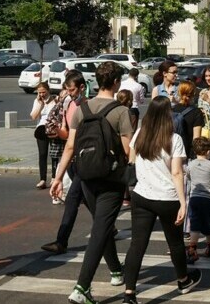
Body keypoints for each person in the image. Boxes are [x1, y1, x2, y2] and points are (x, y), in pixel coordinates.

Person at [50, 61, 134, 304]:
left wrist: (57, 177)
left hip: (85, 176)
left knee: (102, 225)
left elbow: (70, 146)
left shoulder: (82, 110)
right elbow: (128, 152)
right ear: (117, 83)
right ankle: (82, 287)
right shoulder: (121, 112)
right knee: (100, 229)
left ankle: (116, 270)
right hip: (111, 179)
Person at [121, 96, 202, 304]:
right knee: (175, 242)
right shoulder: (173, 139)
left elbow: (131, 158)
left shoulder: (140, 133)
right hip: (167, 197)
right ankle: (183, 280)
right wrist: (183, 203)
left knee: (137, 244)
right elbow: (176, 173)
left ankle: (129, 293)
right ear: (167, 115)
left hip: (141, 195)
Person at [41, 72, 89, 255]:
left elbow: (74, 139)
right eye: (67, 90)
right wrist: (58, 132)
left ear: (82, 87)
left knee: (72, 200)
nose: (70, 93)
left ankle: (61, 241)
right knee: (83, 198)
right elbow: (66, 129)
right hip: (72, 158)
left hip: (81, 158)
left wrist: (57, 177)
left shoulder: (85, 107)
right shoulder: (69, 103)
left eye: (73, 90)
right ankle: (108, 229)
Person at [185, 137, 210, 263]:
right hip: (209, 199)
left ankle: (192, 248)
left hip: (194, 198)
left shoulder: (190, 165)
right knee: (208, 223)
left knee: (195, 224)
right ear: (208, 151)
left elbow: (188, 176)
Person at [31, 82, 57, 190]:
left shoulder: (55, 100)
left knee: (54, 154)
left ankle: (54, 177)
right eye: (39, 92)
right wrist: (41, 104)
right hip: (41, 129)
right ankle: (42, 179)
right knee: (42, 154)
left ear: (48, 91)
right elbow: (33, 116)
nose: (42, 94)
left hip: (53, 129)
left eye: (43, 92)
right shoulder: (37, 101)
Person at [174, 80, 205, 158]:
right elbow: (196, 138)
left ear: (179, 92)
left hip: (172, 149)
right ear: (193, 94)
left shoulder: (171, 109)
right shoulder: (196, 112)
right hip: (187, 151)